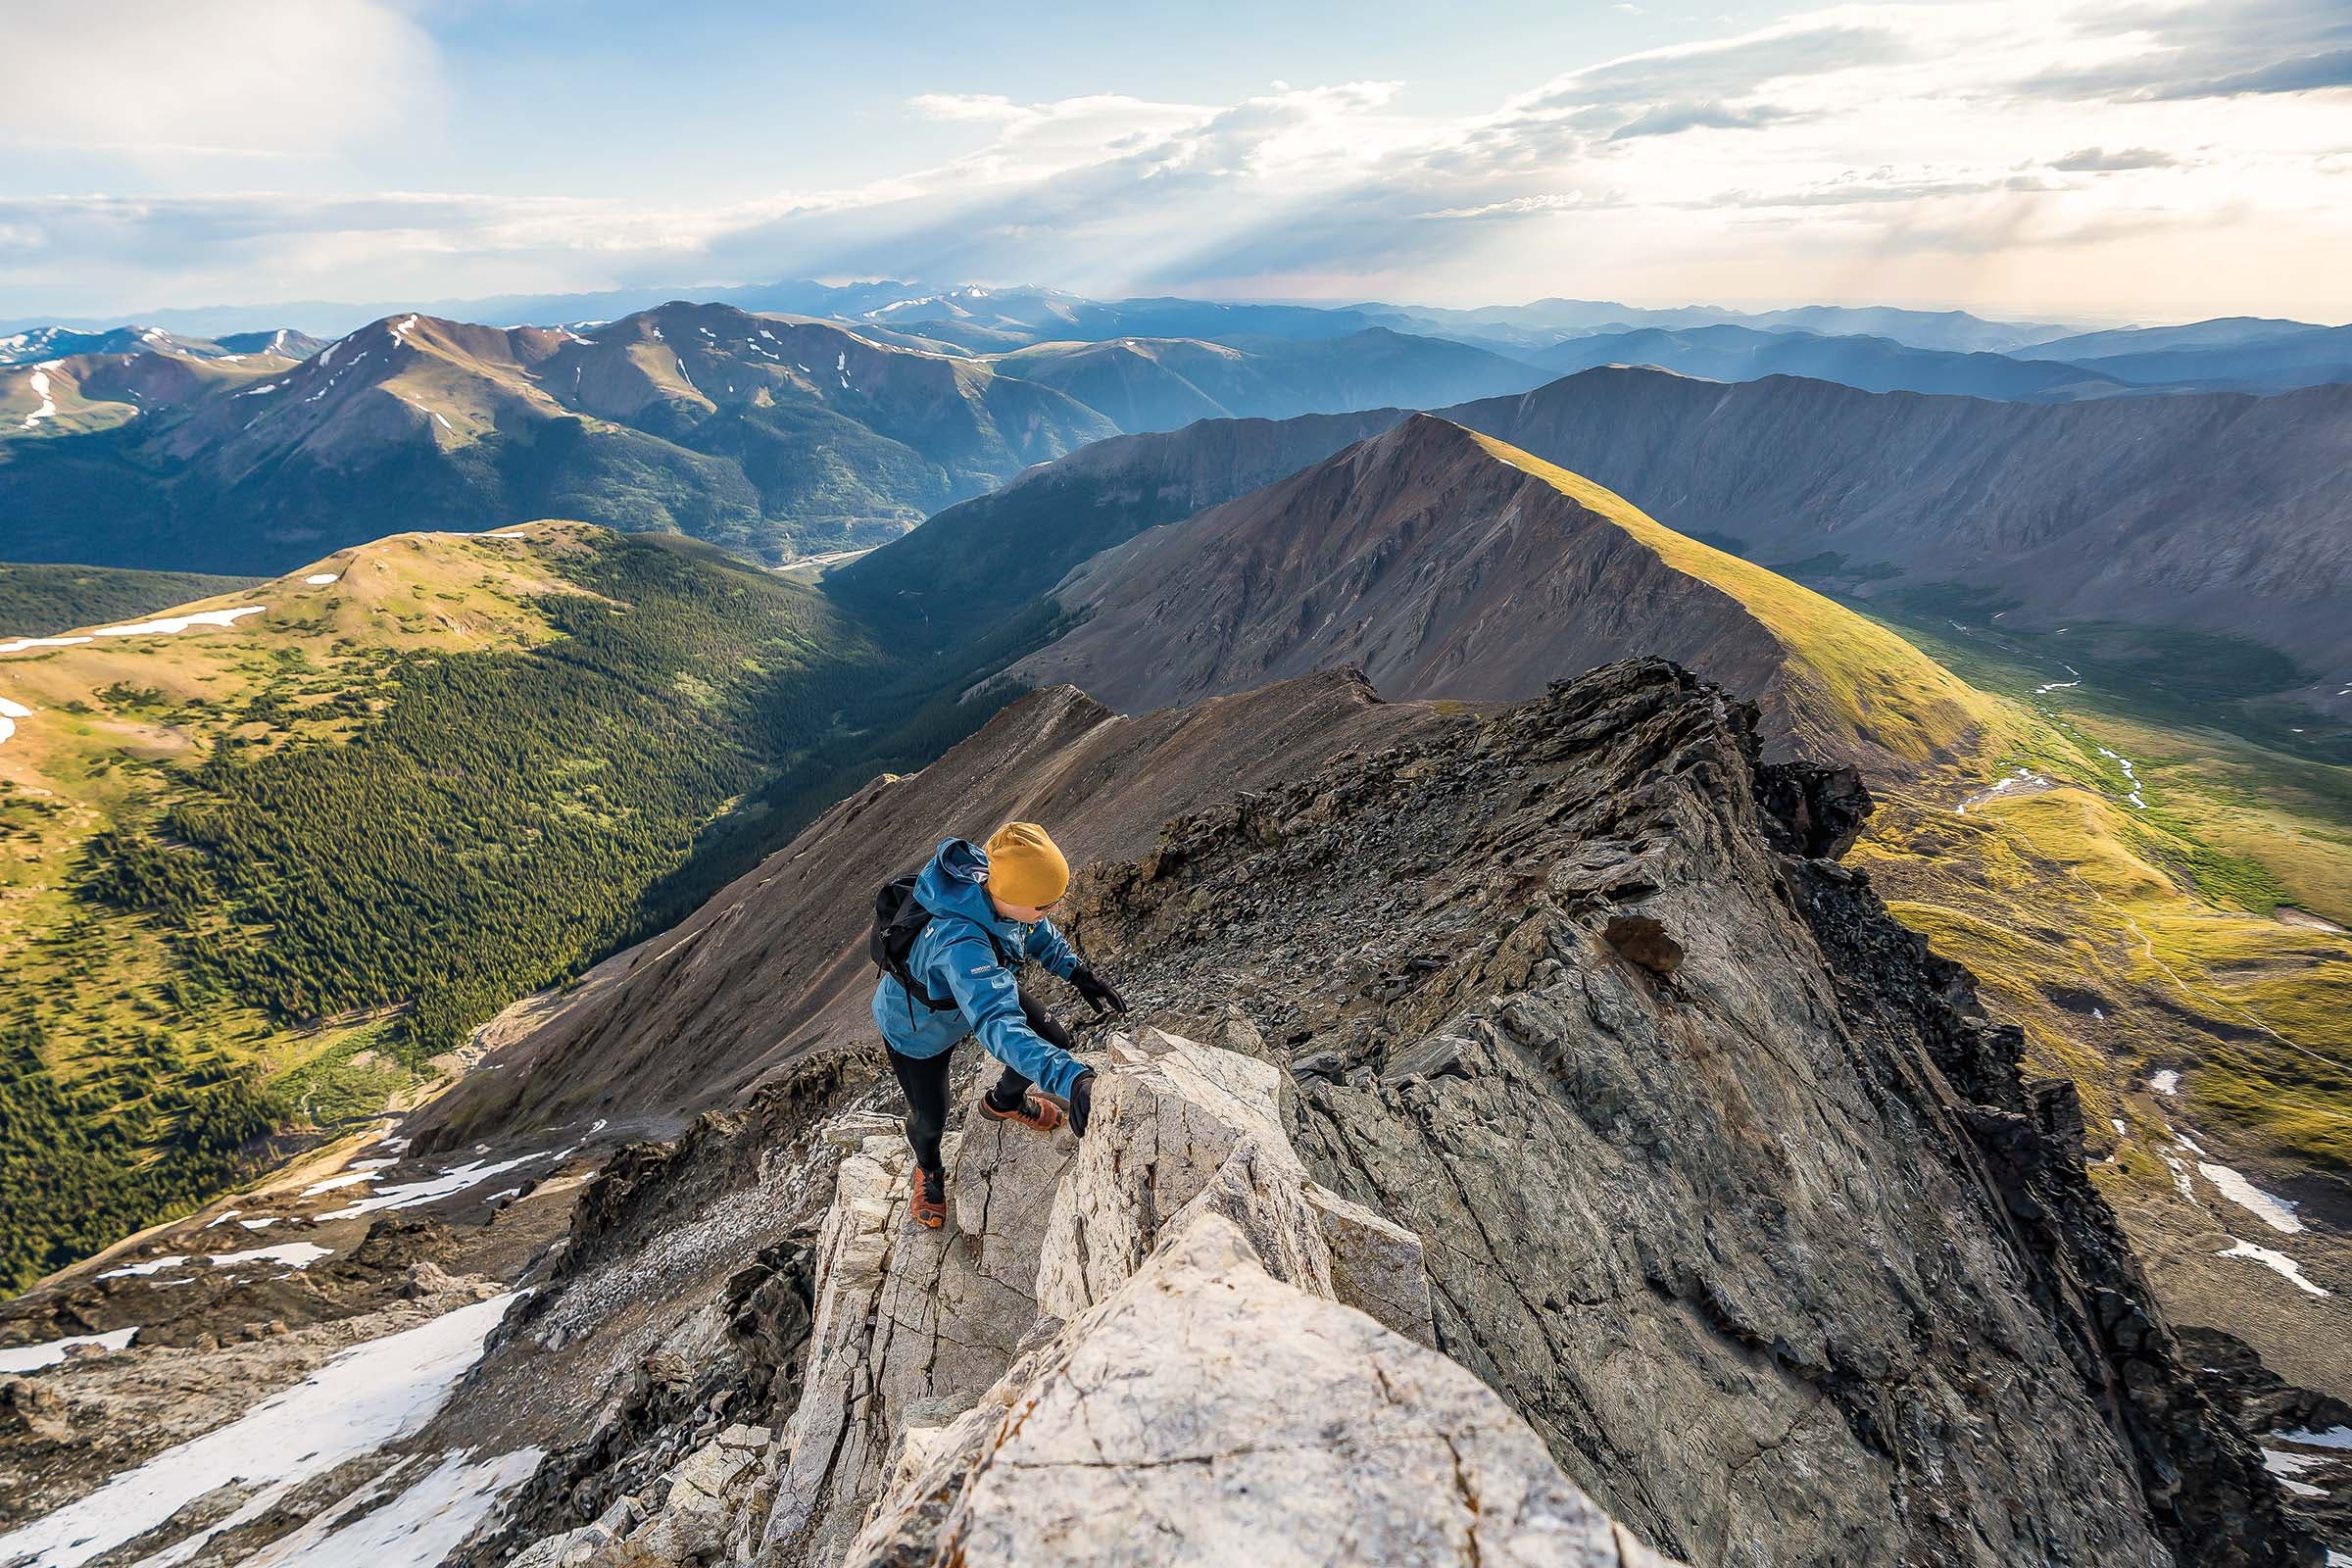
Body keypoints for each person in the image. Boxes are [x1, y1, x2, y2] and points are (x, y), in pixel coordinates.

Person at [871, 821, 1127, 1229]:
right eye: (1046, 903)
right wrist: (1073, 1078)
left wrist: (1077, 972)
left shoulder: (997, 886)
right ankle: (929, 1170)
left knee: (1053, 1036)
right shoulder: (961, 944)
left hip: (965, 997)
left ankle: (1003, 1103)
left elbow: (1031, 926)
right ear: (1013, 896)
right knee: (931, 1115)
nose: (1053, 910)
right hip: (917, 1031)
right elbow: (997, 1025)